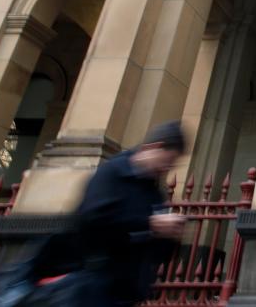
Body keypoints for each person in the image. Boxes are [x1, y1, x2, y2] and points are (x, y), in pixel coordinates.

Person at [74, 120, 188, 307]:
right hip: (93, 285)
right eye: (168, 160)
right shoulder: (112, 173)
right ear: (154, 147)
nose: (167, 168)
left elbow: (158, 253)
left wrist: (170, 236)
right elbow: (91, 219)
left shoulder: (154, 193)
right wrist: (150, 223)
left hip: (125, 292)